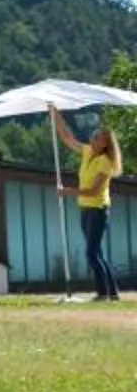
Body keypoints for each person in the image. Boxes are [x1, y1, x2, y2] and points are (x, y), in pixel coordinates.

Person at [55, 111, 124, 302]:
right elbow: (66, 137)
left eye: (99, 139)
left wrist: (67, 192)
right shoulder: (88, 152)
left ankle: (103, 294)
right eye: (94, 136)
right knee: (97, 253)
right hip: (85, 210)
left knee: (91, 254)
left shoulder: (105, 162)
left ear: (106, 145)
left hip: (98, 210)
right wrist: (55, 112)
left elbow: (94, 191)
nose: (94, 140)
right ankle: (113, 293)